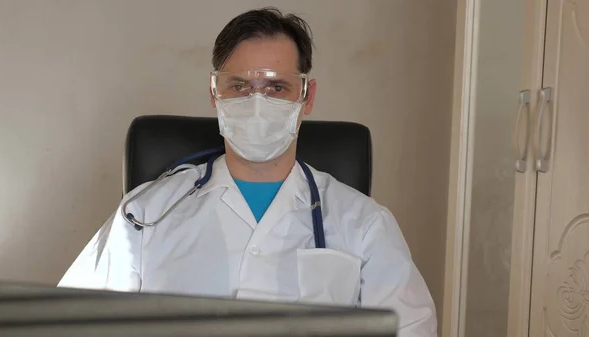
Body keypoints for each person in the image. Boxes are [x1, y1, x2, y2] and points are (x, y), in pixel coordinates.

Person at [58, 7, 437, 336]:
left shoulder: (364, 225)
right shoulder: (143, 216)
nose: (257, 103)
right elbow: (68, 322)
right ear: (214, 92)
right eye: (239, 86)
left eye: (276, 87)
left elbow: (410, 329)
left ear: (307, 96)